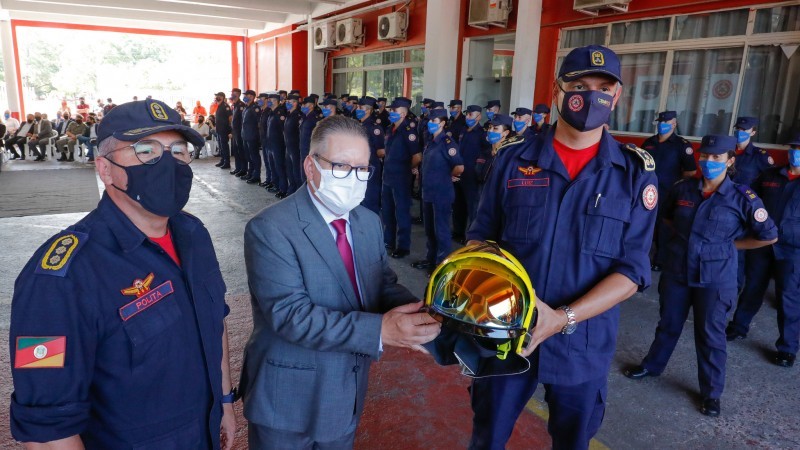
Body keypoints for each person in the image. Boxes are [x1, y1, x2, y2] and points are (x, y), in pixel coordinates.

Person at [9, 99, 236, 449]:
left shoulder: (194, 235)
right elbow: (47, 430)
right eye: (146, 151)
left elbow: (214, 319)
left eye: (178, 151)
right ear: (105, 168)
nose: (167, 163)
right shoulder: (59, 278)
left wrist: (224, 403)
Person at [466, 45, 658, 449]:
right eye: (579, 85)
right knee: (488, 438)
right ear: (557, 90)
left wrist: (562, 317)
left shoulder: (634, 174)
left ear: (617, 96)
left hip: (582, 343)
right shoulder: (513, 159)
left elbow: (632, 272)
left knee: (573, 443)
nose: (592, 96)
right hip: (507, 332)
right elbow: (480, 238)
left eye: (604, 87)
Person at [240, 115, 440, 448]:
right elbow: (291, 316)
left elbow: (381, 284)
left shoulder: (367, 222)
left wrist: (426, 314)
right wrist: (380, 331)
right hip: (287, 399)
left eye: (362, 169)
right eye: (342, 167)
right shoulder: (271, 228)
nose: (354, 179)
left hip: (344, 390)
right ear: (310, 165)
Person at [625, 134, 777, 416]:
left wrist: (730, 245)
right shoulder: (683, 189)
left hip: (716, 278)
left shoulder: (742, 197)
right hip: (678, 271)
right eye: (704, 156)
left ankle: (711, 393)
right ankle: (652, 365)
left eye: (716, 158)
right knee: (668, 323)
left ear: (730, 161)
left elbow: (768, 236)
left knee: (710, 335)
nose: (708, 162)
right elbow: (668, 217)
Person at [726, 133, 800, 367]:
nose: (795, 153)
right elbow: (751, 200)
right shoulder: (770, 175)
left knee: (788, 296)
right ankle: (738, 327)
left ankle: (787, 347)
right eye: (793, 148)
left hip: (793, 250)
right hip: (762, 244)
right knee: (752, 288)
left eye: (799, 149)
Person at [643, 110, 698, 271]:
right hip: (647, 192)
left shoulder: (682, 145)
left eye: (666, 122)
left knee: (664, 228)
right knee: (644, 224)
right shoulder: (649, 142)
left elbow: (690, 172)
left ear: (674, 124)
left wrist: (677, 189)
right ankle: (640, 256)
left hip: (668, 193)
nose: (662, 125)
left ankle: (660, 260)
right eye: (660, 122)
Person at [411, 109, 464, 275]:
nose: (430, 123)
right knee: (429, 229)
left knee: (441, 231)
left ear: (442, 123)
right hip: (428, 191)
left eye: (435, 121)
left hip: (441, 192)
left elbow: (459, 167)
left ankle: (442, 266)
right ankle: (431, 259)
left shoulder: (448, 143)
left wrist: (449, 176)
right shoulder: (429, 139)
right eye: (430, 120)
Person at [382, 98, 422, 259]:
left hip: (401, 178)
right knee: (387, 211)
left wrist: (408, 167)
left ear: (404, 113)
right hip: (387, 176)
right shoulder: (389, 129)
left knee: (402, 212)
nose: (391, 113)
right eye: (391, 110)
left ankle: (403, 246)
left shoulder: (409, 131)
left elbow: (417, 156)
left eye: (394, 111)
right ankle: (388, 241)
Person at [453, 105, 489, 239]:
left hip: (472, 175)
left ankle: (470, 236)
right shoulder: (463, 130)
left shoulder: (482, 134)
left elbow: (486, 154)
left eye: (471, 115)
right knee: (458, 204)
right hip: (459, 173)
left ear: (478, 117)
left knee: (472, 206)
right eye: (467, 114)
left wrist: (477, 169)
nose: (468, 117)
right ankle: (458, 231)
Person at [355, 96, 385, 215]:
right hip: (358, 168)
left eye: (360, 107)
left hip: (370, 169)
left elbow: (381, 151)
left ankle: (372, 229)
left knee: (370, 201)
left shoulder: (374, 128)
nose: (357, 109)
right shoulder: (359, 125)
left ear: (368, 110)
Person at [265, 93, 289, 199]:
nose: (269, 101)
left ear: (276, 101)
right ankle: (276, 185)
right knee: (273, 166)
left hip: (278, 144)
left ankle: (283, 188)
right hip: (270, 144)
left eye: (271, 99)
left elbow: (283, 130)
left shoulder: (280, 113)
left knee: (279, 167)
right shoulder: (271, 112)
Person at [298, 96, 322, 184]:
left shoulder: (314, 119)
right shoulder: (305, 117)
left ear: (311, 106)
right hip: (303, 149)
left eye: (305, 104)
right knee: (302, 174)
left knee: (308, 175)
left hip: (309, 150)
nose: (302, 106)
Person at [283, 94, 303, 193]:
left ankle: (298, 191)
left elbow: (299, 133)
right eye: (287, 102)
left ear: (295, 103)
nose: (287, 104)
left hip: (295, 147)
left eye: (290, 102)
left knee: (296, 171)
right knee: (289, 170)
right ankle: (291, 190)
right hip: (288, 147)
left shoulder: (298, 116)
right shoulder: (289, 114)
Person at [240, 89, 260, 184]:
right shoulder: (246, 107)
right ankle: (250, 173)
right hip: (245, 136)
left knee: (254, 156)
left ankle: (256, 175)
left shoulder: (255, 108)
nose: (245, 97)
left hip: (252, 136)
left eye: (247, 95)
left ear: (252, 97)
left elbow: (258, 123)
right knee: (248, 156)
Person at [229, 88, 246, 177]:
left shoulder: (241, 105)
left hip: (239, 132)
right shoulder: (234, 105)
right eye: (232, 93)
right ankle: (238, 168)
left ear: (238, 94)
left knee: (241, 151)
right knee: (236, 151)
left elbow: (242, 120)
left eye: (234, 93)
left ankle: (243, 169)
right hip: (235, 131)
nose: (232, 95)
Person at [214, 91, 233, 169]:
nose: (217, 97)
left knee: (224, 146)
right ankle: (222, 160)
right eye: (216, 96)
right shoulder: (219, 105)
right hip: (219, 129)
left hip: (224, 129)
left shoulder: (225, 106)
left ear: (222, 97)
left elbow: (230, 117)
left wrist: (229, 129)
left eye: (218, 96)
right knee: (221, 146)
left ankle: (227, 162)